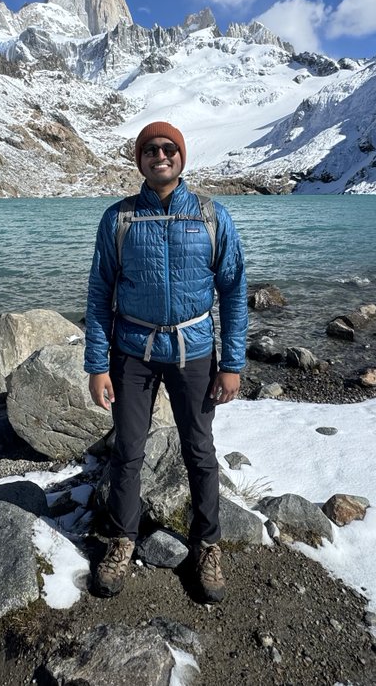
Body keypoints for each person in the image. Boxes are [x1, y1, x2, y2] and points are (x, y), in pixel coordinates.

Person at [84, 121, 247, 604]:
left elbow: (235, 293)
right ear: (139, 160)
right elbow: (99, 296)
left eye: (169, 148)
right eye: (151, 149)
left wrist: (232, 363)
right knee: (128, 450)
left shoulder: (212, 218)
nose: (160, 155)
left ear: (182, 157)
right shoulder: (118, 220)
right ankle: (121, 540)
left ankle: (208, 545)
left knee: (199, 449)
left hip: (195, 350)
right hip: (132, 351)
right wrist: (97, 365)